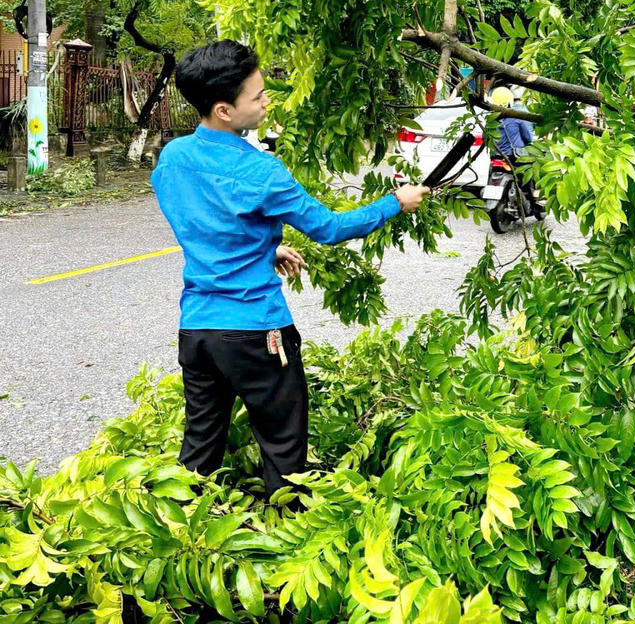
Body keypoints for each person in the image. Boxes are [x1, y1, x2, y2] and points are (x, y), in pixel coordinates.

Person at [152, 40, 429, 498]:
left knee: (198, 450)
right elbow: (330, 227)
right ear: (224, 109)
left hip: (197, 330)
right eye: (257, 96)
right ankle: (286, 536)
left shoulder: (173, 158)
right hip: (256, 332)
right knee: (283, 446)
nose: (266, 102)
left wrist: (263, 247)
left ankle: (178, 534)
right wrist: (395, 202)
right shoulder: (261, 171)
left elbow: (201, 219)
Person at [491, 85, 542, 217]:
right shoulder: (516, 116)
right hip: (515, 156)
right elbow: (528, 137)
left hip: (496, 156)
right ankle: (535, 194)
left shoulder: (490, 119)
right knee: (533, 167)